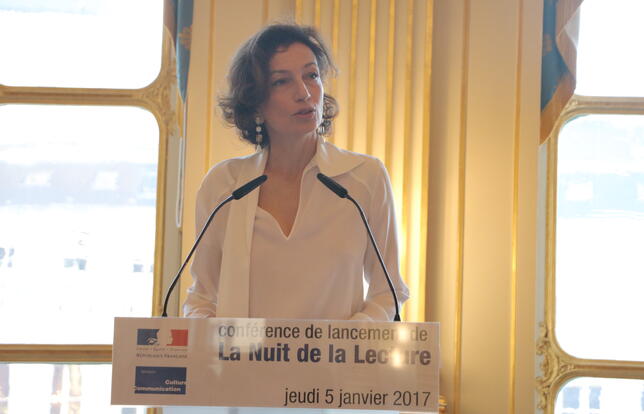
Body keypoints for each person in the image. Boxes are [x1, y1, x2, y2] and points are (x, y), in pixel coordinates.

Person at [183, 23, 408, 321]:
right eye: (281, 82)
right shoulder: (224, 185)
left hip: (339, 352)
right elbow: (201, 297)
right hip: (242, 353)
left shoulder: (365, 177)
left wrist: (348, 338)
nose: (303, 93)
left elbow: (388, 292)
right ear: (255, 102)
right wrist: (209, 334)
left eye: (311, 75)